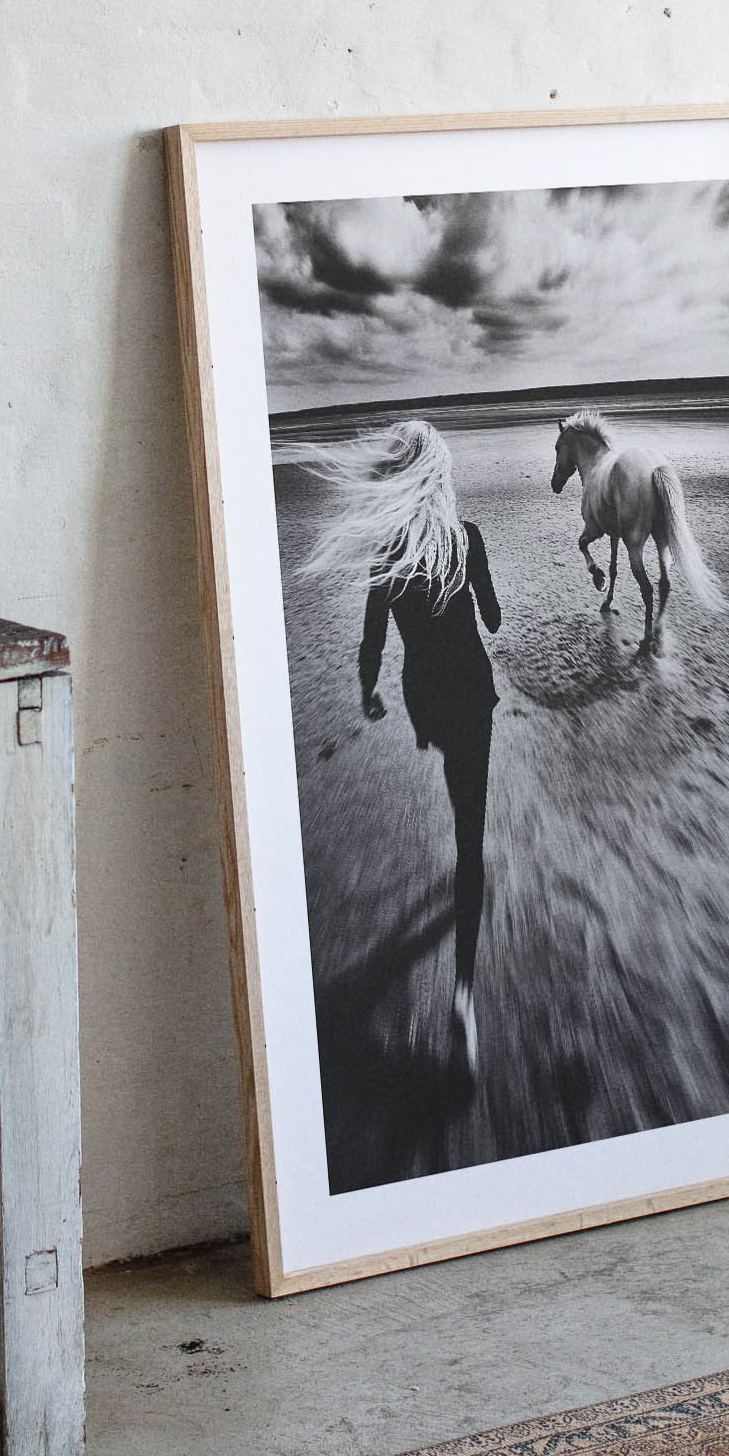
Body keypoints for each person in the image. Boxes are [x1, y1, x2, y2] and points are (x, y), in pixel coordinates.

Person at [300, 419, 501, 1081]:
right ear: (440, 477)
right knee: (469, 834)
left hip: (427, 701)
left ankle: (460, 875)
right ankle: (464, 1000)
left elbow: (372, 644)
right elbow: (493, 620)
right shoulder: (464, 539)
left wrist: (367, 696)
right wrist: (476, 586)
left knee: (452, 776)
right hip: (471, 692)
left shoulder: (388, 552)